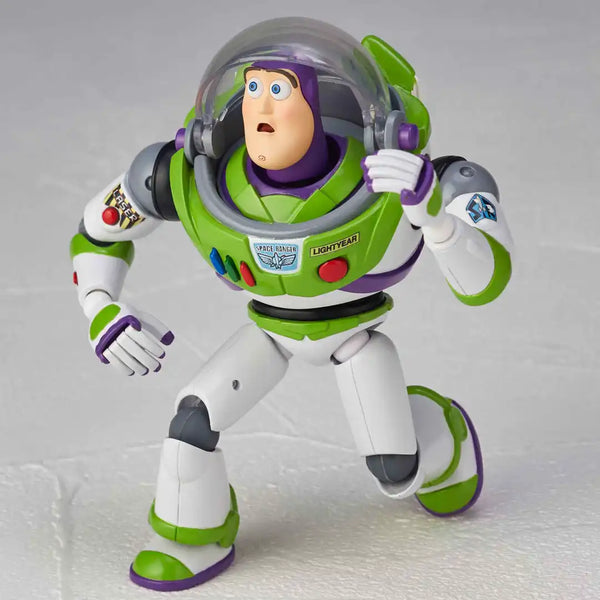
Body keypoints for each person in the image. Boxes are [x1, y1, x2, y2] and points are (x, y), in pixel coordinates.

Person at [69, 17, 513, 591]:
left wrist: (434, 217)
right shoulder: (187, 176)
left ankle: (445, 440)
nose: (262, 105)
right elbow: (98, 231)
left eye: (280, 90)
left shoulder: (413, 181)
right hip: (269, 330)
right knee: (192, 420)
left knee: (394, 468)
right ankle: (191, 534)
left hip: (352, 334)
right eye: (253, 87)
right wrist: (100, 306)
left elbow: (486, 279)